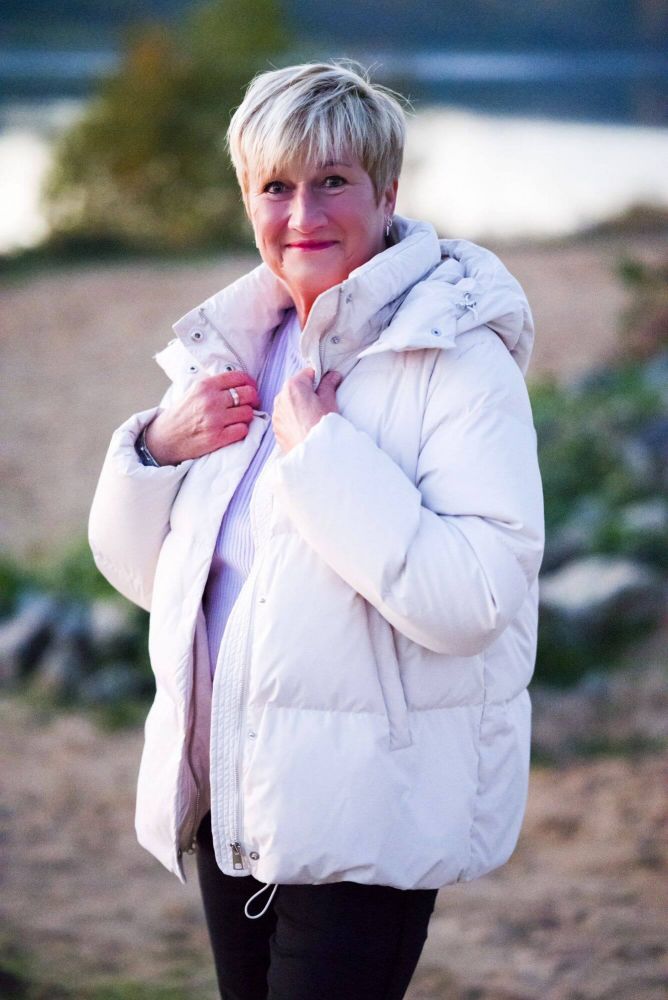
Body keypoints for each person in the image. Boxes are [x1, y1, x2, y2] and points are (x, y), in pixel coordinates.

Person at [89, 61, 544, 1000]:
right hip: (232, 800)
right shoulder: (227, 351)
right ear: (246, 198)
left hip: (368, 811)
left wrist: (324, 454)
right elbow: (154, 583)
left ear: (387, 191)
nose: (303, 214)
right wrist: (155, 454)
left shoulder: (457, 362)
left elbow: (475, 601)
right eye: (276, 186)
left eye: (333, 180)